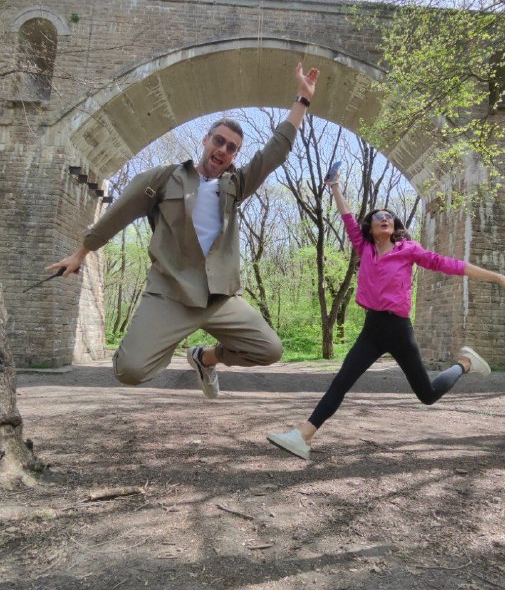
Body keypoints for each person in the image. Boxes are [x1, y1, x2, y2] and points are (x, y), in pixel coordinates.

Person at [48, 63, 320, 397]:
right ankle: (159, 340)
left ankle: (203, 358)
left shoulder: (235, 186)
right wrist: (81, 253)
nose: (223, 150)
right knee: (129, 371)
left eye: (231, 147)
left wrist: (302, 100)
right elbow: (117, 214)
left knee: (269, 349)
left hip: (219, 297)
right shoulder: (163, 178)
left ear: (235, 155)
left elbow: (275, 150)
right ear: (206, 140)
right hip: (171, 293)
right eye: (218, 141)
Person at [267, 171, 505, 460]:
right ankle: (303, 436)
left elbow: (451, 264)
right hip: (372, 329)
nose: (384, 218)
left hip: (398, 330)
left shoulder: (409, 251)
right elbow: (347, 216)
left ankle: (464, 364)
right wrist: (335, 186)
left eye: (389, 216)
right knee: (341, 382)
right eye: (378, 216)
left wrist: (498, 277)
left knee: (427, 395)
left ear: (394, 226)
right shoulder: (364, 247)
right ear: (370, 228)